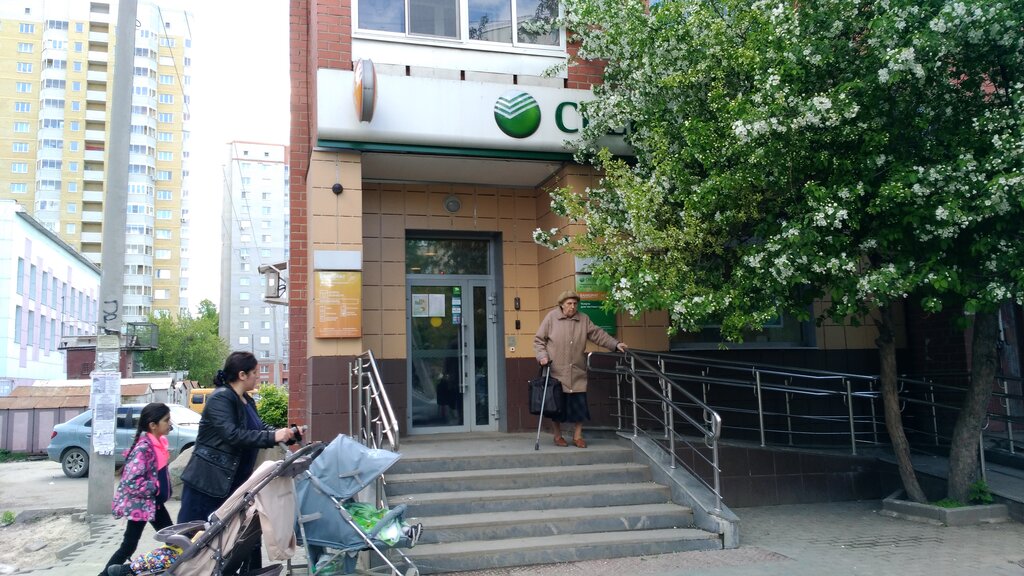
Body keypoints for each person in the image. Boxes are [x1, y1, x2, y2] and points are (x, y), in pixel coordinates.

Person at [178, 351, 295, 525]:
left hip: (233, 483)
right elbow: (232, 435)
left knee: (228, 537)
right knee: (195, 536)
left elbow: (260, 427)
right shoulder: (221, 398)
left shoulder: (246, 399)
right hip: (208, 484)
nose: (257, 376)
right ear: (242, 375)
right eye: (254, 372)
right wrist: (272, 436)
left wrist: (285, 435)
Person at [534, 290, 627, 448]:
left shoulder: (583, 319)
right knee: (556, 407)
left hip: (577, 370)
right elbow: (539, 340)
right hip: (556, 370)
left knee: (580, 405)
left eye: (575, 304)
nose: (572, 306)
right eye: (569, 303)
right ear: (562, 305)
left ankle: (578, 436)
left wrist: (615, 344)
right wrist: (542, 356)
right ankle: (558, 436)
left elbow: (597, 334)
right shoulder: (551, 318)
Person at [101, 403, 175, 576]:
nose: (170, 423)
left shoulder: (158, 444)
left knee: (174, 540)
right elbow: (131, 482)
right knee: (130, 546)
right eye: (166, 420)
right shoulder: (144, 449)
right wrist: (155, 488)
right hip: (141, 506)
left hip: (154, 505)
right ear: (153, 425)